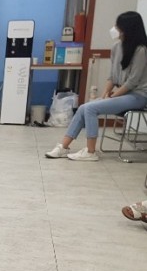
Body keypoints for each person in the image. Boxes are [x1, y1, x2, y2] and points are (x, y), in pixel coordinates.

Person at [46, 11, 147, 161]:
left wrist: (113, 96)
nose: (115, 29)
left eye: (118, 26)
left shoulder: (141, 51)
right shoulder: (116, 47)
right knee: (83, 107)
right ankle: (63, 146)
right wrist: (106, 93)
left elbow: (132, 81)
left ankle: (90, 151)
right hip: (123, 94)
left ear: (127, 28)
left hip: (138, 96)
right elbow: (112, 76)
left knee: (91, 108)